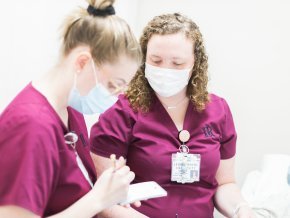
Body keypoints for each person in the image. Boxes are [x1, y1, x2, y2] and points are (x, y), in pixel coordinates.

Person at [90, 13, 256, 218]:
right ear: (143, 59)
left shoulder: (218, 110)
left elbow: (225, 183)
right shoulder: (121, 112)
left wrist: (242, 209)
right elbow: (102, 199)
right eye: (156, 60)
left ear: (196, 63)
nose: (165, 70)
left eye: (177, 63)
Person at [0, 0, 141, 217]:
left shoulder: (70, 109)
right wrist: (98, 199)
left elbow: (71, 194)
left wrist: (110, 192)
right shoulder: (31, 125)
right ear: (82, 62)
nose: (115, 96)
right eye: (113, 84)